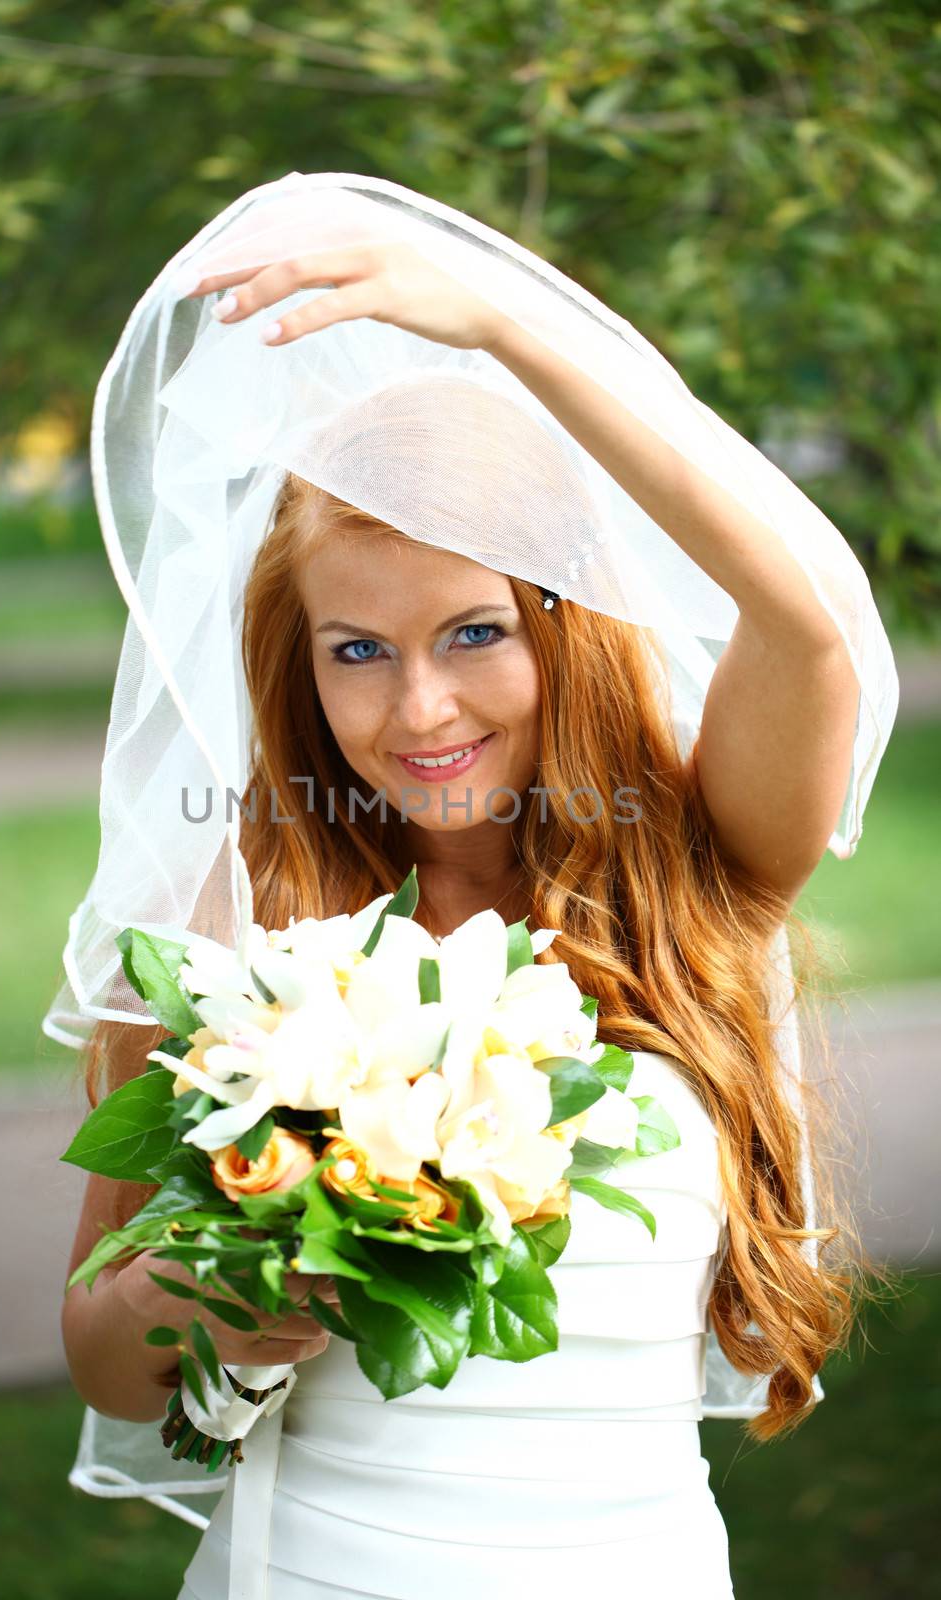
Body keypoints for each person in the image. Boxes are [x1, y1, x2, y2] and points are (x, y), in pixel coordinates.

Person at [53, 172, 898, 1600]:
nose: (422, 709)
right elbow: (104, 1356)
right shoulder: (237, 905)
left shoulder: (700, 858)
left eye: (475, 631)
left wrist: (513, 334)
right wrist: (237, 1286)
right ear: (299, 664)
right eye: (358, 651)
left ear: (566, 624)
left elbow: (808, 621)